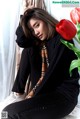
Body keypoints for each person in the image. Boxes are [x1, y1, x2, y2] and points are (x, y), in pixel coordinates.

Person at [2, 8, 79, 119]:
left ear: (46, 20)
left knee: (7, 113)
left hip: (63, 97)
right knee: (28, 49)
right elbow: (22, 41)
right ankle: (18, 92)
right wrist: (24, 19)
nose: (36, 32)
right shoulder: (40, 42)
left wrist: (31, 99)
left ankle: (21, 99)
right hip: (46, 93)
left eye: (37, 25)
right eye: (32, 30)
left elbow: (51, 76)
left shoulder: (62, 39)